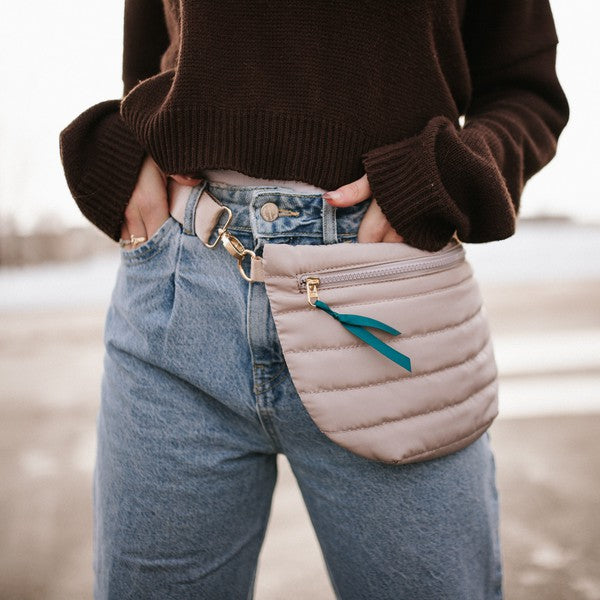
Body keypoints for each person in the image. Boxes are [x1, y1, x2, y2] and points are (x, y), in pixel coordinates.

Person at [59, 1, 569, 598]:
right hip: (179, 285)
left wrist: (443, 177)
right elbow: (152, 60)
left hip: (386, 294)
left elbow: (526, 91)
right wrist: (126, 160)